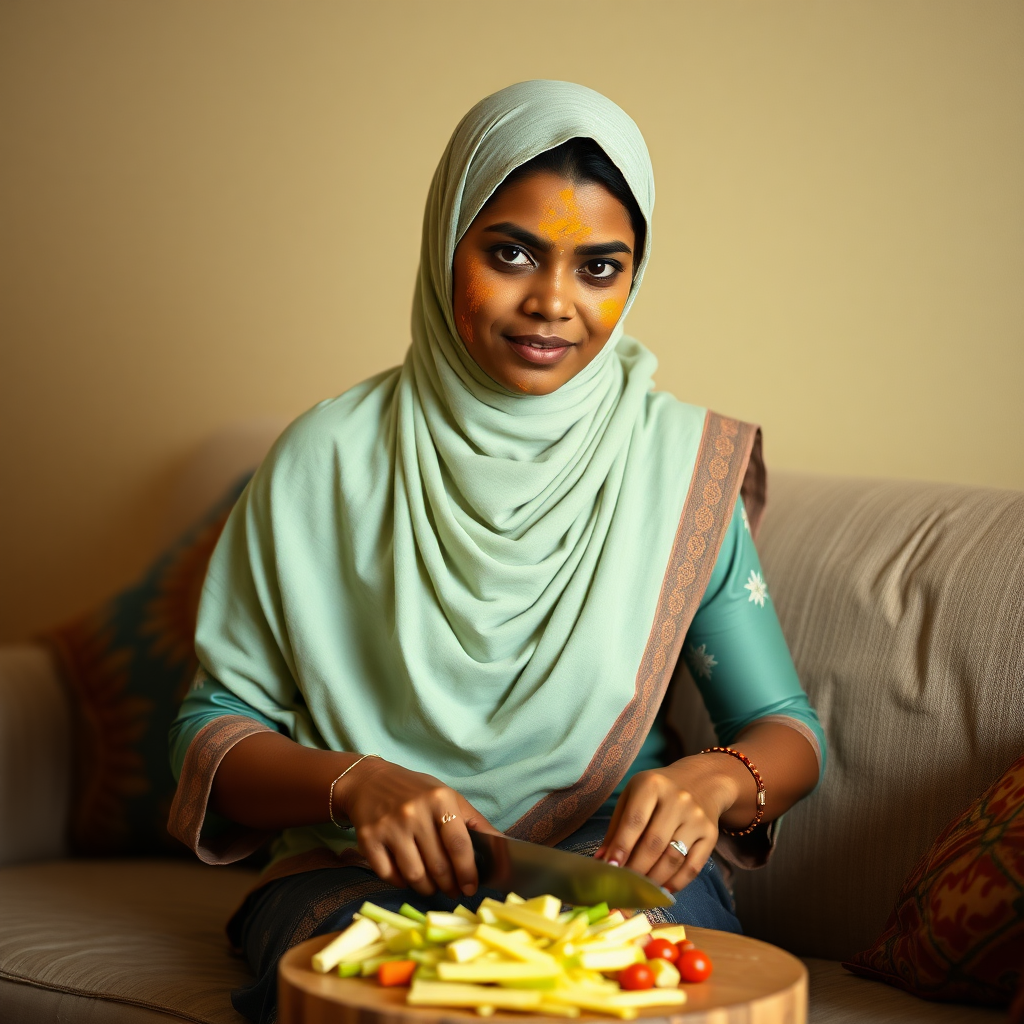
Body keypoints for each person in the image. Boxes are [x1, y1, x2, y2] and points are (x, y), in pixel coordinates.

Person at [168, 80, 825, 1023]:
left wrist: (716, 780)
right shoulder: (325, 459)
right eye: (511, 253)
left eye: (600, 269)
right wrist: (355, 784)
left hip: (605, 867)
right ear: (447, 243)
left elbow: (786, 728)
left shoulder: (680, 470)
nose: (554, 303)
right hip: (363, 869)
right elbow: (212, 734)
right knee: (383, 1002)